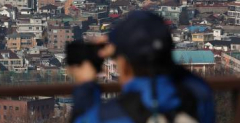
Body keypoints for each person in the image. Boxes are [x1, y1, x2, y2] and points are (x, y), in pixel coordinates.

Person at [68, 11, 215, 123]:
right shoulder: (198, 96)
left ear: (125, 65)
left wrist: (85, 86)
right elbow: (182, 75)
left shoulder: (113, 115)